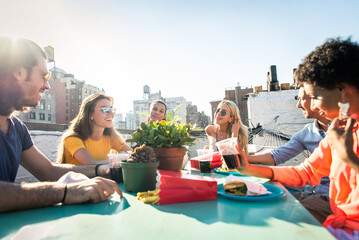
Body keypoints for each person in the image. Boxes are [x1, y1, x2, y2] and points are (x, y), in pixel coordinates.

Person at [237, 38, 359, 238]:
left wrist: (350, 159)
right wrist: (249, 168)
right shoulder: (338, 129)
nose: (315, 106)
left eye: (315, 97)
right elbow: (306, 172)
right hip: (339, 225)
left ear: (343, 91)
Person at [0, 36, 121, 213]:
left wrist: (102, 170)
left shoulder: (17, 129)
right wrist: (65, 192)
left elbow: (47, 171)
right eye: (44, 76)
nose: (47, 86)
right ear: (19, 73)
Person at [247, 87, 331, 199]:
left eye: (301, 99)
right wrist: (243, 159)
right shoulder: (307, 133)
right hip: (312, 192)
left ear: (315, 98)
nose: (298, 105)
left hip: (331, 198)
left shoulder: (348, 129)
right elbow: (277, 156)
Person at [57, 93, 132, 165]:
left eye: (112, 109)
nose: (111, 114)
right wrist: (120, 158)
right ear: (90, 114)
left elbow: (134, 155)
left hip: (100, 178)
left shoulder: (111, 137)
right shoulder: (72, 138)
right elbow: (91, 164)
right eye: (105, 109)